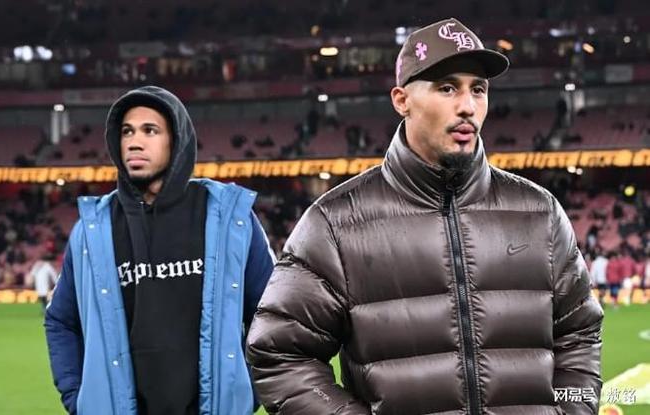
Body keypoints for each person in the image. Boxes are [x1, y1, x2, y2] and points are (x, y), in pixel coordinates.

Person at [247, 18, 603, 415]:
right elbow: (280, 353)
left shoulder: (539, 213)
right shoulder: (335, 224)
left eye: (478, 89)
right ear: (402, 100)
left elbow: (580, 334)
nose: (467, 106)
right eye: (447, 88)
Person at [45, 86, 275, 415]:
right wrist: (77, 397)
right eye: (127, 131)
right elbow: (61, 321)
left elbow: (272, 314)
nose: (134, 142)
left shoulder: (229, 218)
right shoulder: (93, 230)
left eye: (150, 130)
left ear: (176, 141)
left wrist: (247, 391)